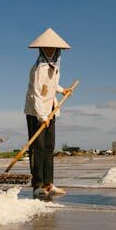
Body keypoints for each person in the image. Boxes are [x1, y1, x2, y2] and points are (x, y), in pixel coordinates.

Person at [24, 27, 73, 198]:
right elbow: (37, 93)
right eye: (48, 49)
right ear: (42, 50)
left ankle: (48, 184)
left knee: (48, 147)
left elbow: (50, 86)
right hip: (35, 111)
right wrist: (41, 116)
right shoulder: (39, 68)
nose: (51, 51)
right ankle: (37, 186)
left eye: (54, 49)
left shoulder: (55, 67)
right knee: (37, 148)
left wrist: (62, 90)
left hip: (50, 108)